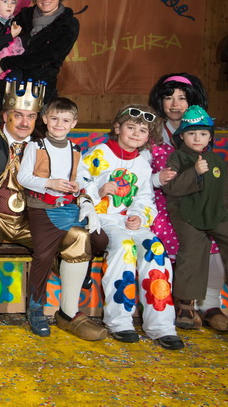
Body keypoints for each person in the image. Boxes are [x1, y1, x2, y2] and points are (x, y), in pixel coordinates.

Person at [0, 79, 106, 344]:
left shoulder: (46, 143)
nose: (25, 123)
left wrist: (86, 202)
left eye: (31, 116)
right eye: (18, 115)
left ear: (39, 118)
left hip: (35, 220)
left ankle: (69, 313)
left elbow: (75, 179)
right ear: (6, 115)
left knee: (79, 237)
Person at [79, 104, 184, 350]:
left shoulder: (143, 164)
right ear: (118, 128)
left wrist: (139, 216)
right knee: (125, 248)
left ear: (149, 136)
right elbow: (78, 181)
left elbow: (145, 198)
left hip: (130, 222)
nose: (136, 134)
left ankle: (161, 325)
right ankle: (119, 322)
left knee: (155, 249)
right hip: (103, 219)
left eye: (143, 130)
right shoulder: (99, 153)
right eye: (131, 127)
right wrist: (98, 191)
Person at [162, 106, 228, 328]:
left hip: (215, 211)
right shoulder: (177, 158)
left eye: (203, 133)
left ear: (210, 137)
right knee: (192, 246)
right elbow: (171, 188)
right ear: (182, 136)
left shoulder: (218, 161)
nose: (197, 138)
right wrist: (194, 172)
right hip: (186, 211)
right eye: (191, 133)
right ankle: (185, 303)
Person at [16, 98, 108, 340]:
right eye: (54, 118)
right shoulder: (36, 146)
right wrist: (49, 183)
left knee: (100, 239)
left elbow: (83, 180)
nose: (59, 124)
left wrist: (78, 187)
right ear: (45, 119)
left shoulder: (76, 149)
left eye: (65, 120)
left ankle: (82, 272)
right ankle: (36, 308)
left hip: (68, 207)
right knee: (43, 256)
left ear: (73, 123)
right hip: (42, 208)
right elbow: (23, 178)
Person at [147, 73, 228, 331]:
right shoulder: (150, 130)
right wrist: (157, 179)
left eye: (182, 98)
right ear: (159, 101)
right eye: (168, 97)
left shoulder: (202, 128)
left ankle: (210, 304)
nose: (175, 104)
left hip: (198, 198)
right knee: (181, 233)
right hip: (162, 199)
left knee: (222, 233)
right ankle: (183, 303)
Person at [0, 0, 78, 115]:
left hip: (40, 93)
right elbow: (0, 42)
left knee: (38, 128)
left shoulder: (68, 24)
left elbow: (46, 56)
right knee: (3, 127)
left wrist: (4, 63)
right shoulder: (24, 15)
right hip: (9, 92)